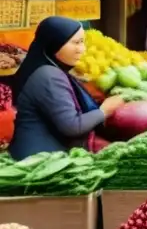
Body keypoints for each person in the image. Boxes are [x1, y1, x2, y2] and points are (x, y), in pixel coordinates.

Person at [9, 17, 125, 160]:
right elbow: (72, 126)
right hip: (40, 160)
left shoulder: (46, 69)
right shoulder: (48, 76)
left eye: (82, 42)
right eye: (75, 43)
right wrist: (105, 110)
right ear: (55, 44)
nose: (81, 49)